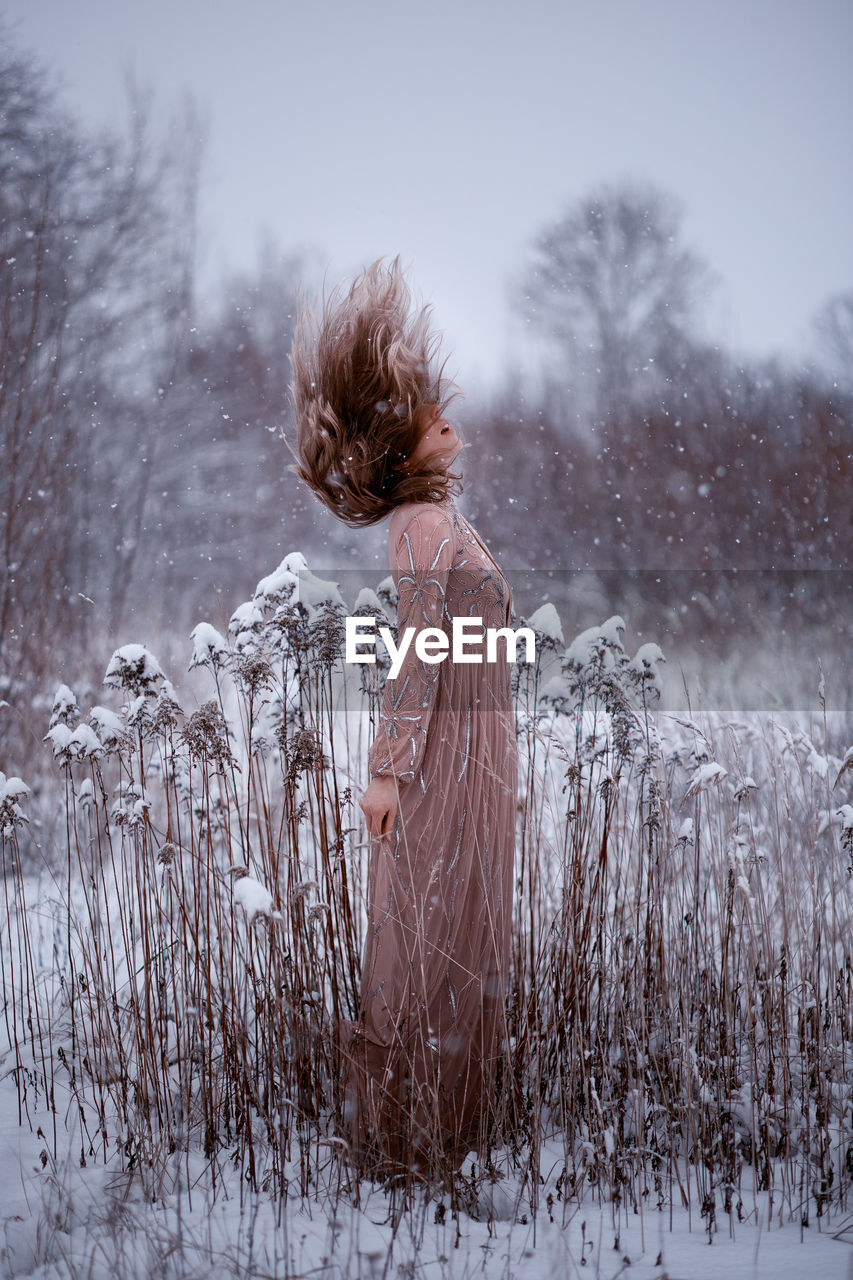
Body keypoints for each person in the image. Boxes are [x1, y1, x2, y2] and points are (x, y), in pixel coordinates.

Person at [289, 258, 518, 1182]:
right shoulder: (422, 528)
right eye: (426, 413)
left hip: (473, 749)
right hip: (441, 760)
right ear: (399, 440)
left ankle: (438, 1141)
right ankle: (398, 1146)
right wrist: (387, 769)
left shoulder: (434, 518)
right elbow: (418, 651)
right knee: (418, 942)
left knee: (456, 939)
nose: (447, 418)